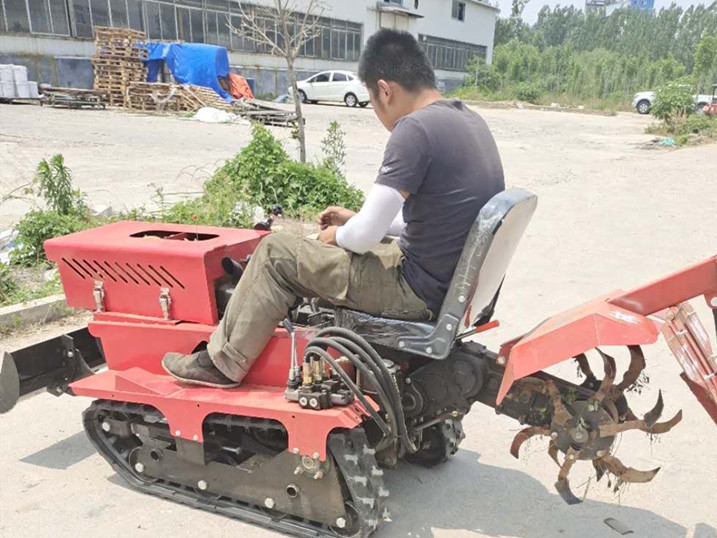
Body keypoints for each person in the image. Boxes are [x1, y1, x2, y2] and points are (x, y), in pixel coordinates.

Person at [162, 29, 505, 388]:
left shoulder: (415, 130)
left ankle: (222, 363)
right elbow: (443, 219)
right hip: (446, 282)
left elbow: (362, 238)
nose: (378, 114)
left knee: (275, 252)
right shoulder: (467, 120)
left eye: (373, 103)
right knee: (324, 247)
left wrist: (339, 234)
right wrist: (355, 221)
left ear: (384, 90)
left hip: (416, 290)